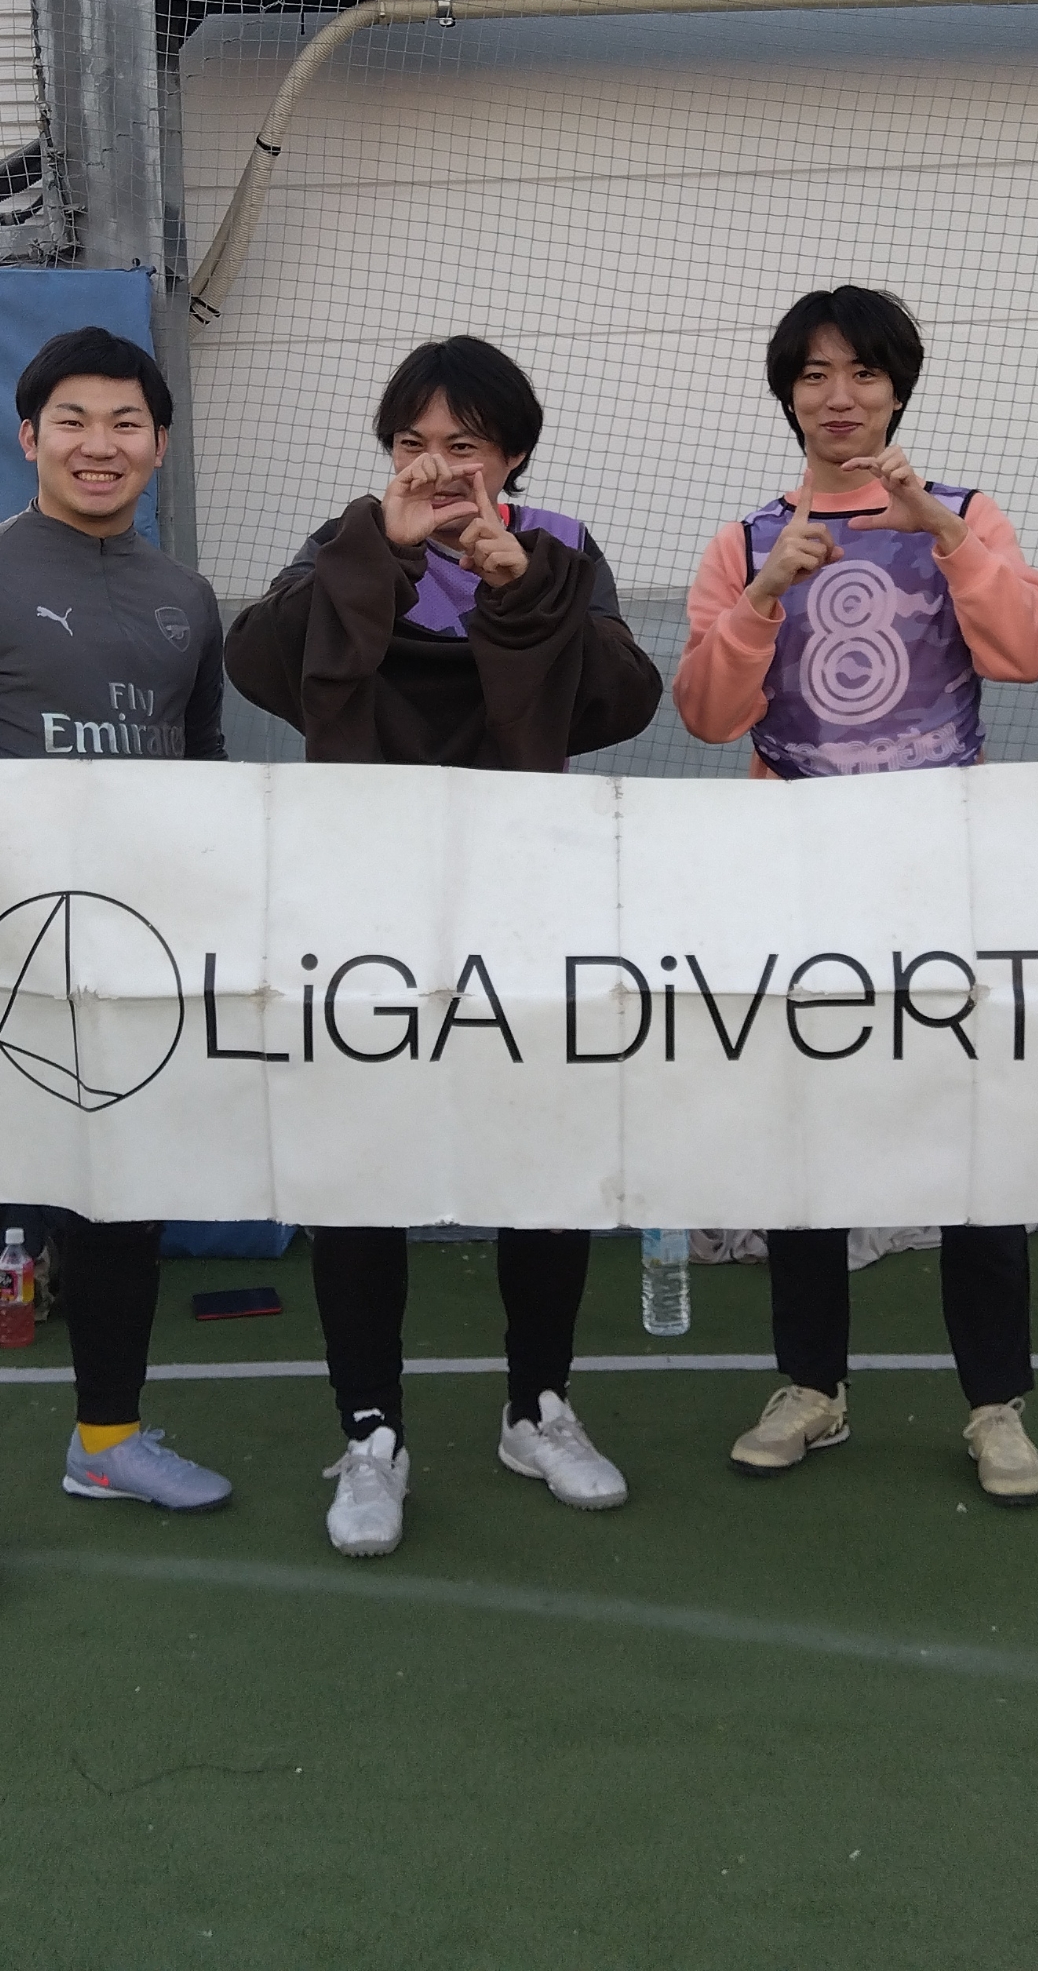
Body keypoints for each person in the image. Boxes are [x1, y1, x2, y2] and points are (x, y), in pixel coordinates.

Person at [225, 334, 664, 1558]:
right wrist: (383, 549)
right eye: (411, 444)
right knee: (362, 1164)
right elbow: (260, 663)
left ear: (510, 454)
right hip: (365, 904)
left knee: (543, 1160)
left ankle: (538, 1408)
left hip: (523, 899)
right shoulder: (351, 540)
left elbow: (621, 699)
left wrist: (521, 587)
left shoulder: (559, 547)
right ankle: (371, 1432)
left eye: (462, 445)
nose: (434, 467)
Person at [0, 327, 237, 1626]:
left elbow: (202, 775)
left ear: (159, 443)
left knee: (120, 1208)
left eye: (126, 422)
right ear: (28, 436)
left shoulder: (187, 599)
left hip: (135, 965)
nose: (99, 444)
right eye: (72, 419)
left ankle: (107, 1441)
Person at [671, 285, 1038, 1504]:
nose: (839, 396)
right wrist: (763, 596)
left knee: (971, 1143)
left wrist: (943, 535)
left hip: (946, 884)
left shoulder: (963, 513)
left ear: (898, 388)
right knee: (807, 1139)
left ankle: (995, 1403)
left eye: (863, 372)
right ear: (788, 394)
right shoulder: (746, 539)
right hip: (799, 887)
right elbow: (705, 714)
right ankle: (812, 1387)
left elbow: (1032, 649)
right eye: (815, 374)